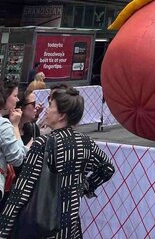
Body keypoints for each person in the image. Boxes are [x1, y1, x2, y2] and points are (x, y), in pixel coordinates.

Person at [0, 86, 115, 238]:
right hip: (70, 223)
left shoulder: (44, 143)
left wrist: (4, 229)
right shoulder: (85, 142)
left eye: (51, 106)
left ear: (62, 115)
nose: (46, 110)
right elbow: (107, 168)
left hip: (43, 222)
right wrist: (84, 187)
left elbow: (22, 190)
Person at [0, 80, 26, 206]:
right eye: (15, 96)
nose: (17, 100)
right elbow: (17, 158)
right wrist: (15, 126)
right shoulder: (3, 125)